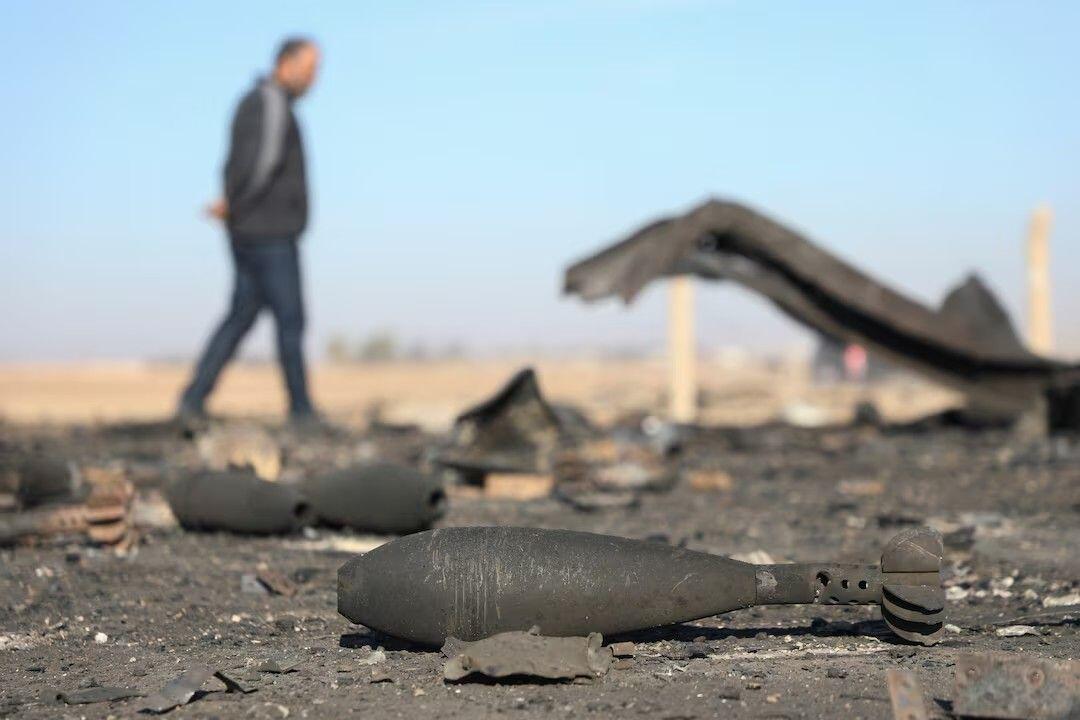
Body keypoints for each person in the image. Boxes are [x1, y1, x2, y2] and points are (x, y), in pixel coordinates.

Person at [177, 38, 322, 426]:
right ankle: (301, 409)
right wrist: (236, 204)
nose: (313, 79)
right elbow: (261, 162)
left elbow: (241, 163)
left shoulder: (260, 102)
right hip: (268, 231)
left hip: (250, 228)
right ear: (284, 64)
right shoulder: (270, 102)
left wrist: (233, 205)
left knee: (241, 313)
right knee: (290, 318)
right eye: (309, 69)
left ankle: (193, 398)